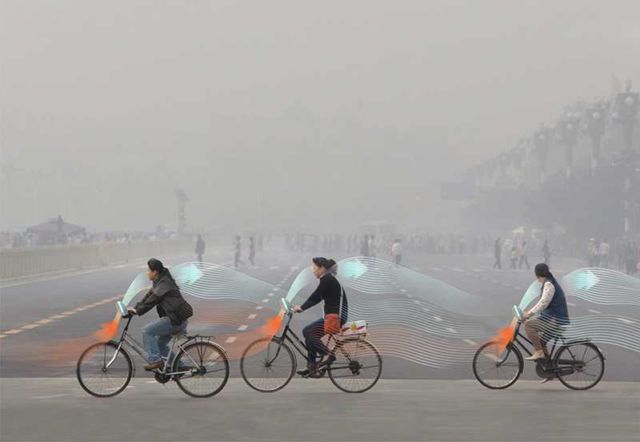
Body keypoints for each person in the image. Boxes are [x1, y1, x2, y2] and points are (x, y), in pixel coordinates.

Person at [127, 258, 194, 371]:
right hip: (176, 319)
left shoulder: (164, 283)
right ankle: (179, 366)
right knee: (159, 346)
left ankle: (155, 360)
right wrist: (135, 308)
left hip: (175, 321)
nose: (147, 273)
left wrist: (138, 311)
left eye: (149, 270)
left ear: (155, 272)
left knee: (147, 331)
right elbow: (148, 296)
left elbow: (153, 300)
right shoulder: (159, 282)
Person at [293, 257, 348, 377]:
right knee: (309, 332)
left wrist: (301, 308)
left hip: (335, 318)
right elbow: (318, 298)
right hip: (332, 316)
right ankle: (312, 366)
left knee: (308, 331)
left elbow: (315, 296)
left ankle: (327, 355)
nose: (313, 271)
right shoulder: (328, 279)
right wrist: (302, 307)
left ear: (322, 268)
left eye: (314, 268)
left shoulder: (327, 279)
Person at [521, 263, 570, 367]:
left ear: (537, 274)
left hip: (556, 320)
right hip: (555, 318)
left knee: (529, 325)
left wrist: (528, 314)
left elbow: (543, 303)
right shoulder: (549, 282)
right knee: (541, 342)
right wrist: (529, 313)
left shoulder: (549, 284)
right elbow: (543, 305)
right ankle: (549, 369)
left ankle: (539, 352)